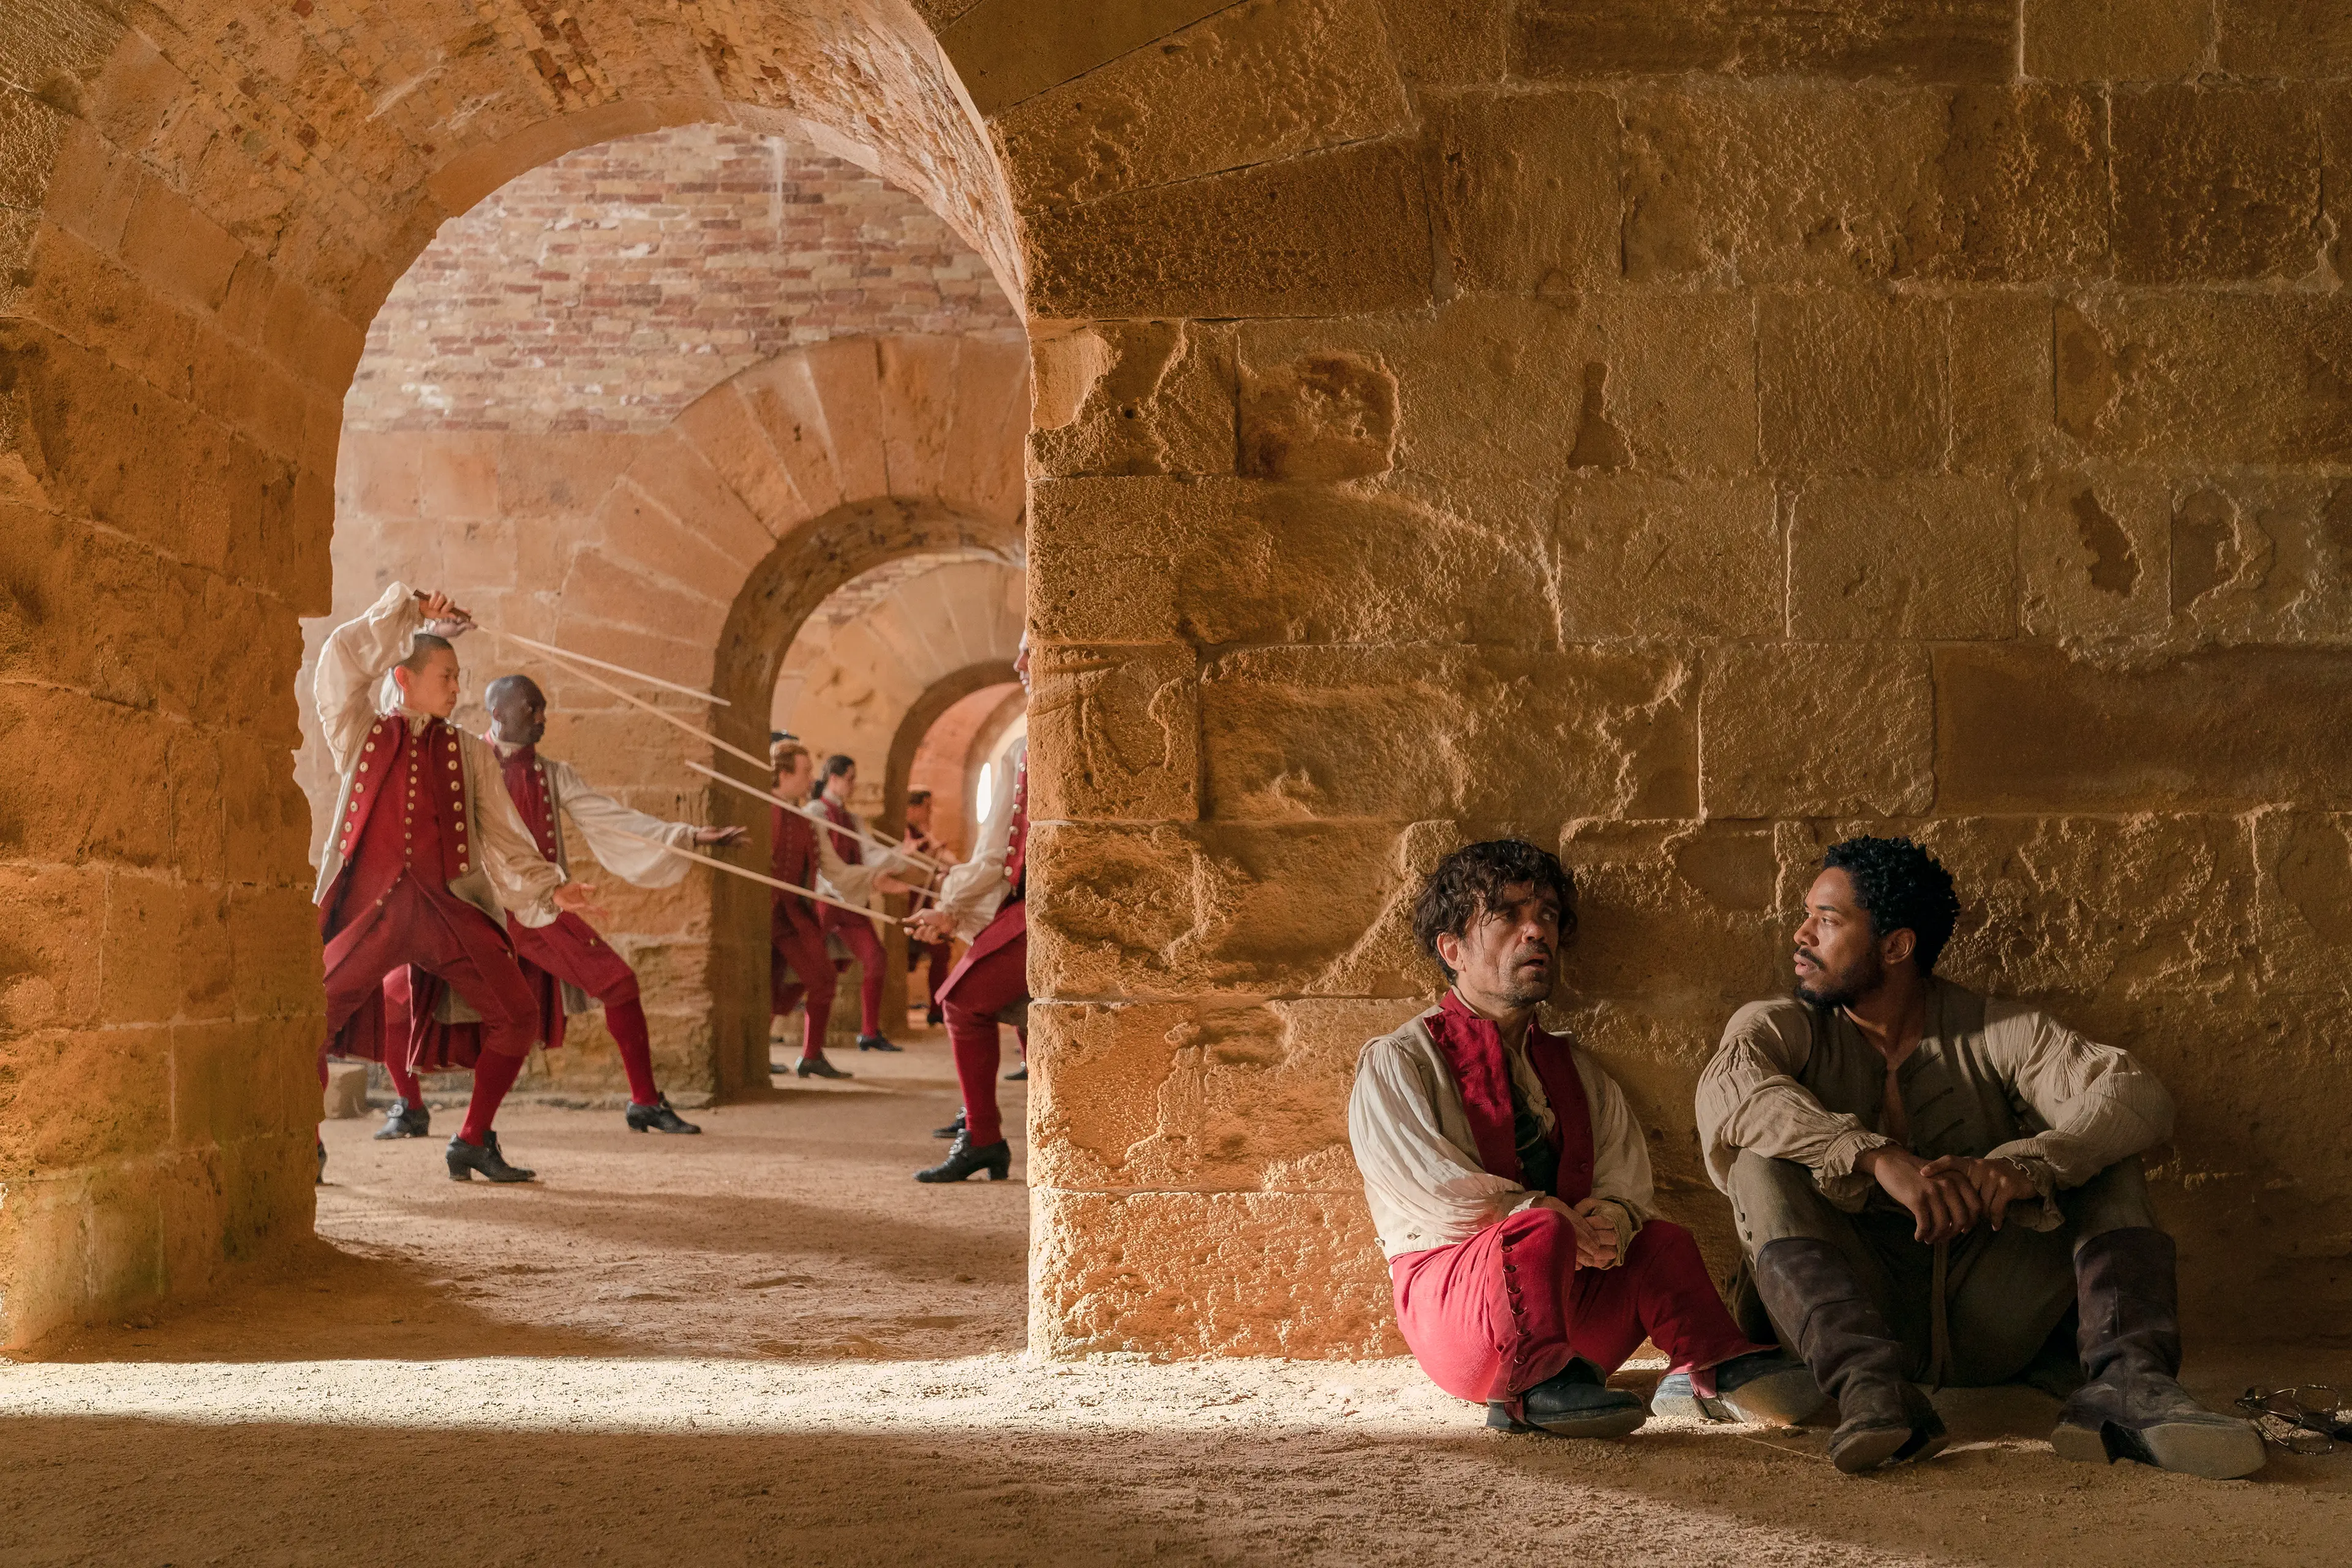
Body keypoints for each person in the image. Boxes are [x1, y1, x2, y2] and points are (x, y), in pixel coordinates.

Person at [1695, 835, 2264, 1479]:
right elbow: (1728, 1091)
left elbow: (2135, 1095)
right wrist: (1871, 1155)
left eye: (1827, 920)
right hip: (1856, 1303)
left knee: (2109, 1158)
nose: (1801, 934)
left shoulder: (1996, 1029)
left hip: (1995, 1312)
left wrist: (2028, 1164)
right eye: (1809, 914)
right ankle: (1872, 1393)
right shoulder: (1780, 1024)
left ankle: (2130, 1386)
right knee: (1757, 1163)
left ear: (1896, 945)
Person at [1348, 839, 1820, 1439]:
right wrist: (1549, 1216)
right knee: (1538, 1227)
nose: (1536, 931)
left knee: (1660, 1240)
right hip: (1461, 1315)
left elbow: (1627, 1179)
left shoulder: (1578, 1068)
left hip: (1577, 1312)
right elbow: (1428, 1185)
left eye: (1546, 914)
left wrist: (1609, 1220)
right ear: (1452, 949)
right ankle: (1528, 1391)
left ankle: (1709, 1369)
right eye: (1510, 915)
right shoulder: (1398, 1061)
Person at [371, 673, 745, 1138]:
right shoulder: (461, 760)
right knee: (392, 997)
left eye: (542, 708)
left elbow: (611, 817)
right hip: (473, 911)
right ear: (499, 712)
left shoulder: (552, 775)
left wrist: (686, 836)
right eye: (533, 709)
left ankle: (645, 1102)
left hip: (539, 909)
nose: (542, 719)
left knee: (619, 984)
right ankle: (410, 1106)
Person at [312, 583, 597, 1184]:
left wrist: (549, 888)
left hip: (446, 912)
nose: (457, 687)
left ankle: (472, 1138)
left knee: (516, 1014)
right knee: (308, 1013)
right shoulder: (361, 731)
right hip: (373, 914)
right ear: (405, 677)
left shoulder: (468, 752)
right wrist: (407, 611)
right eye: (447, 674)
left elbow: (503, 834)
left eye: (459, 677)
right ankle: (302, 1142)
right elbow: (339, 658)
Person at [904, 644, 1033, 1183]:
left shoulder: (1031, 747)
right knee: (1004, 1005)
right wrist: (952, 911)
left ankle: (982, 1135)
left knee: (959, 1001)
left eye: (1031, 657)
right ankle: (985, 1130)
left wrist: (952, 908)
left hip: (1045, 910)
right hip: (1035, 905)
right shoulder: (1028, 746)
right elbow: (1003, 855)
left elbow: (998, 855)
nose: (1022, 668)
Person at [769, 742, 916, 1079]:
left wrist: (882, 874)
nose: (812, 780)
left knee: (818, 978)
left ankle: (812, 1054)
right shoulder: (792, 812)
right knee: (776, 981)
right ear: (785, 773)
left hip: (797, 913)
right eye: (806, 772)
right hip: (783, 911)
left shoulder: (812, 818)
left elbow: (836, 867)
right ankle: (771, 1053)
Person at [815, 755, 901, 1054]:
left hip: (850, 902)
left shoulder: (852, 820)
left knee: (876, 957)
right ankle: (807, 1049)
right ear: (834, 779)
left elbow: (870, 854)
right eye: (850, 779)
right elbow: (824, 868)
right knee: (808, 970)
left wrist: (904, 855)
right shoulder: (815, 812)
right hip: (825, 900)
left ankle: (868, 1032)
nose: (853, 786)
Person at [900, 790, 956, 1027]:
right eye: (926, 807)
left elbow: (950, 863)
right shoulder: (905, 833)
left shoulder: (923, 836)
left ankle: (936, 1008)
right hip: (905, 905)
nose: (929, 813)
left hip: (922, 904)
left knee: (940, 952)